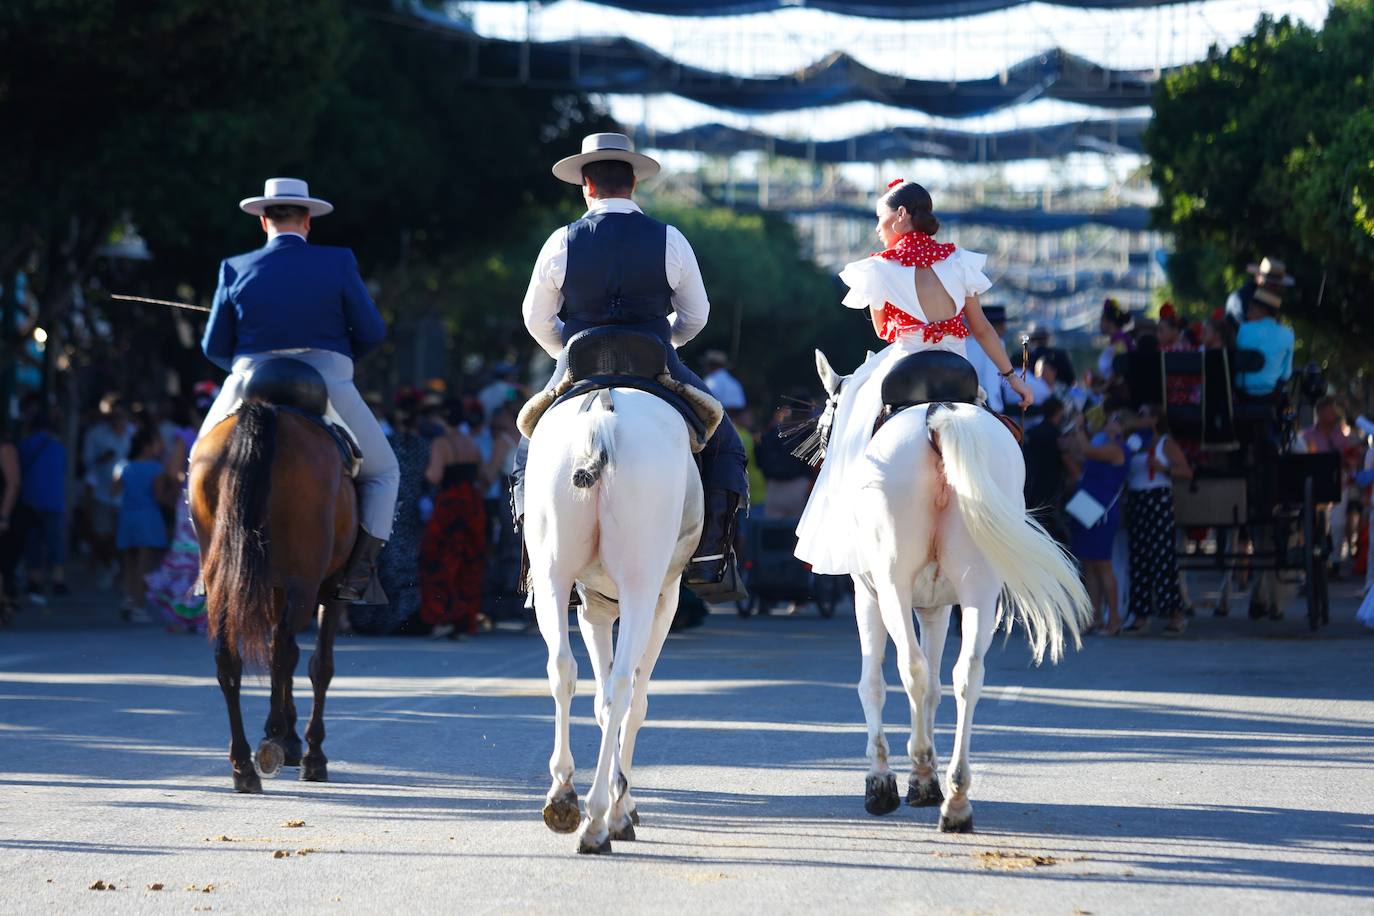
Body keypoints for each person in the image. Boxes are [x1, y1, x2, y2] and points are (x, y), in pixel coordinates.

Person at [513, 133, 750, 592]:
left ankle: (533, 560)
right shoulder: (670, 238)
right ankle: (709, 556)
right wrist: (664, 345)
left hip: (580, 359)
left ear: (586, 185)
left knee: (527, 449)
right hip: (654, 357)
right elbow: (695, 315)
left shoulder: (561, 240)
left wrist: (566, 351)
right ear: (634, 185)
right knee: (726, 443)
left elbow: (535, 317)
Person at [795, 179, 1033, 576]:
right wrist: (1012, 378)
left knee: (848, 415)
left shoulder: (877, 268)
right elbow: (984, 330)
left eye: (880, 218)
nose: (877, 228)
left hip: (906, 361)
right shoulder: (959, 262)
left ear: (901, 215)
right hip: (959, 367)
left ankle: (851, 516)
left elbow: (882, 331)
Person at [199, 177, 399, 603]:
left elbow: (213, 346)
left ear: (263, 222)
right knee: (384, 472)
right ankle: (359, 574)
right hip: (324, 376)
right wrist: (342, 356)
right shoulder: (339, 262)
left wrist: (249, 362)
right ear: (307, 220)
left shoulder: (234, 267)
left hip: (251, 378)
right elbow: (372, 331)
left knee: (200, 463)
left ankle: (209, 567)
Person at [351, 390, 430, 636]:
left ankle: (378, 618)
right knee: (398, 563)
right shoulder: (420, 445)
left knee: (381, 560)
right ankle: (396, 617)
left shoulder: (387, 444)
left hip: (388, 505)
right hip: (407, 508)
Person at [1122, 404, 1193, 635]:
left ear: (1154, 419)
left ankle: (1176, 613)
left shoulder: (1164, 443)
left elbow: (1186, 471)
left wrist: (1164, 467)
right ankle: (1141, 614)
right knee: (1139, 558)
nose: (1138, 418)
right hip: (1137, 499)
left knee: (1162, 557)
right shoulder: (1132, 442)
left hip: (1157, 498)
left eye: (1143, 414)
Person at [1065, 408, 1137, 635]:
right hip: (1087, 506)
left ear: (1123, 427)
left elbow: (1086, 450)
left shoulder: (1117, 450)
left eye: (1115, 419)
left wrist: (1078, 427)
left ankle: (1113, 619)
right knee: (1089, 564)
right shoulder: (1104, 445)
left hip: (1102, 511)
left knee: (1103, 565)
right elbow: (1080, 453)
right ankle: (1093, 617)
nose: (1109, 422)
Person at [419, 401, 487, 639]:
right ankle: (464, 620)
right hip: (472, 504)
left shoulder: (441, 443)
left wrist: (422, 472)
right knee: (469, 562)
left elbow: (434, 475)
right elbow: (483, 474)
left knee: (440, 561)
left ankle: (441, 617)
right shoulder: (471, 443)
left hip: (450, 504)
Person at [144, 394, 211, 632]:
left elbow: (172, 471)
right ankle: (205, 616)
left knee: (185, 557)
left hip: (190, 500)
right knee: (208, 558)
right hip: (216, 503)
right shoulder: (226, 432)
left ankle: (181, 615)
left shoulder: (186, 437)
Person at [113, 426, 171, 622]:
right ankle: (139, 605)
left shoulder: (124, 466)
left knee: (128, 564)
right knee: (145, 566)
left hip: (127, 517)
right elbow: (159, 496)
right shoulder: (156, 468)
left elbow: (113, 492)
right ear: (147, 446)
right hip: (148, 518)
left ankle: (128, 600)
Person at [1300, 396, 1359, 573]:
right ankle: (1313, 558)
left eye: (1333, 410)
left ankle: (1334, 562)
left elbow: (1350, 459)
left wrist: (1349, 458)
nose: (1332, 414)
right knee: (1314, 524)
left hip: (1338, 483)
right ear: (1320, 412)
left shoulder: (1339, 435)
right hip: (1315, 487)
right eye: (1329, 410)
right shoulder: (1308, 435)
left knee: (1338, 524)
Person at [82, 393, 133, 584]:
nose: (118, 419)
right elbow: (87, 463)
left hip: (128, 495)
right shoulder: (95, 434)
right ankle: (110, 563)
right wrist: (101, 459)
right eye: (114, 415)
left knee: (123, 537)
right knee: (101, 533)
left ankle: (119, 570)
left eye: (121, 415)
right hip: (103, 493)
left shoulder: (135, 432)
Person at [18, 413, 67, 604]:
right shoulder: (59, 448)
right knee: (56, 541)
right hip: (54, 500)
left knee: (33, 542)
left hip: (31, 500)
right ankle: (58, 579)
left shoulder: (25, 446)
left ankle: (34, 580)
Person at [1234, 258, 1296, 399]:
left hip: (1240, 395)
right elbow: (1286, 374)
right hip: (1269, 397)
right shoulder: (1288, 334)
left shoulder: (1243, 329)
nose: (1275, 287)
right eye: (1272, 283)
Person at [1022, 396, 1069, 544]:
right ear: (1059, 411)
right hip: (1050, 485)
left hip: (1031, 482)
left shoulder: (1033, 431)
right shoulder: (1057, 435)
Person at [964, 304, 1012, 413]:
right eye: (1002, 324)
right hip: (984, 400)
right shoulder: (996, 344)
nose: (1005, 328)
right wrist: (996, 408)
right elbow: (992, 377)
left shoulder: (967, 342)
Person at [0, 433, 22, 619]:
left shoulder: (5, 449)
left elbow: (13, 484)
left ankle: (6, 605)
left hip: (5, 514)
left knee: (3, 564)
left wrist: (4, 516)